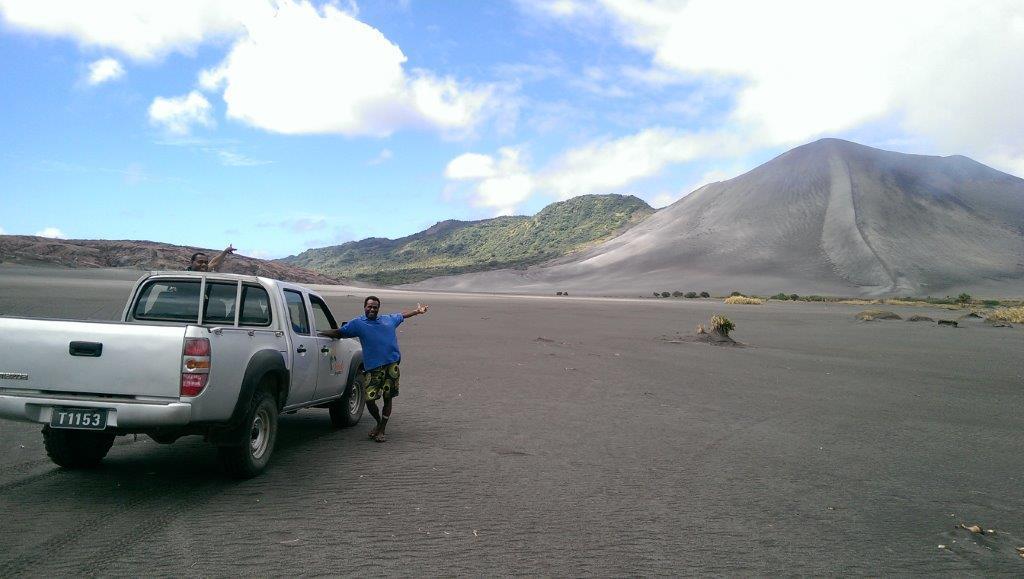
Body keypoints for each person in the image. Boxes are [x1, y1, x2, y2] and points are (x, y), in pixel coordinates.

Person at [319, 295, 429, 442]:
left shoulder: (388, 319)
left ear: (378, 308)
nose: (372, 309)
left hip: (392, 366)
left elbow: (402, 315)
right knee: (369, 399)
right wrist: (319, 334)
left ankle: (382, 429)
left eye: (375, 307)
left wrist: (417, 311)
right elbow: (340, 332)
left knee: (387, 398)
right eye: (369, 306)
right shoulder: (358, 324)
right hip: (373, 369)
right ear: (365, 307)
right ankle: (378, 422)